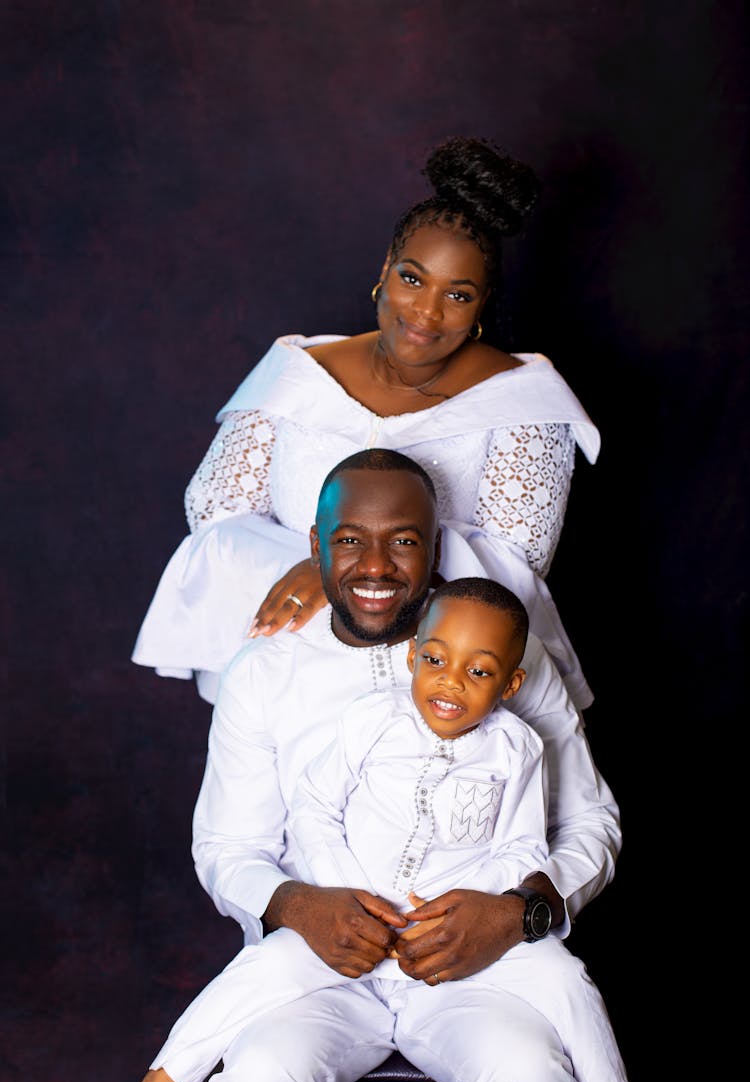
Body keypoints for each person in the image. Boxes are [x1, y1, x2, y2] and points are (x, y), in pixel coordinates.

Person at [111, 450, 623, 1082]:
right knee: (261, 1071)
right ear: (316, 547)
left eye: (404, 541)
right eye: (351, 540)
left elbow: (592, 824)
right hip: (318, 974)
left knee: (531, 1072)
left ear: (437, 546)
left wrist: (518, 910)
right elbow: (227, 849)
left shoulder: (509, 657)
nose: (376, 567)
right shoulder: (265, 671)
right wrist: (297, 905)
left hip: (476, 973)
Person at [131, 135, 601, 713]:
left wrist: (338, 571)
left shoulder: (522, 404)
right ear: (386, 269)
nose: (427, 313)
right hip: (295, 675)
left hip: (442, 688)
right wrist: (314, 570)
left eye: (458, 294)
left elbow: (513, 566)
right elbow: (216, 517)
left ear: (482, 306)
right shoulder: (297, 373)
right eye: (412, 279)